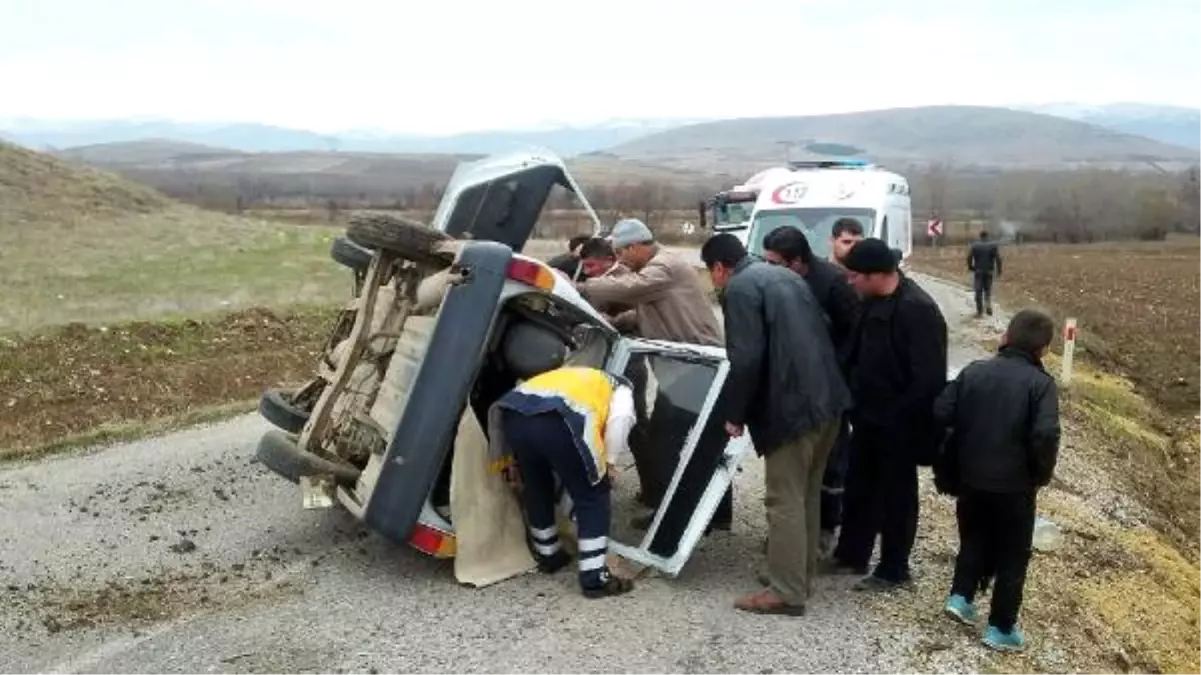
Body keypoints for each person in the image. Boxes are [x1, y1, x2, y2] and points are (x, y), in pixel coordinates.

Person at [700, 233, 852, 616]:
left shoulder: (740, 288)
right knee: (807, 493)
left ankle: (786, 592)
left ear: (720, 268)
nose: (713, 281)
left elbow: (746, 359)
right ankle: (799, 575)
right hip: (829, 402)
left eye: (711, 273)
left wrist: (734, 414)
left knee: (783, 499)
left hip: (793, 411)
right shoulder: (784, 276)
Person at [577, 218, 731, 531]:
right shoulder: (658, 269)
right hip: (689, 367)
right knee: (704, 439)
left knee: (663, 441)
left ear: (635, 246)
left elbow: (632, 289)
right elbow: (647, 310)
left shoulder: (663, 266)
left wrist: (577, 288)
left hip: (693, 366)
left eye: (621, 252)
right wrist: (615, 324)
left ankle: (672, 514)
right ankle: (716, 513)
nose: (619, 260)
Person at [933, 309, 1061, 652]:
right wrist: (1041, 473)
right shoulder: (1042, 385)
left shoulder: (974, 372)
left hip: (971, 478)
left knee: (973, 536)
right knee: (1013, 555)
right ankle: (1001, 627)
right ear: (1044, 350)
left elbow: (942, 411)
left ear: (1006, 337)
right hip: (1015, 486)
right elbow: (1045, 434)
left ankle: (961, 597)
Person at [826, 238, 948, 592]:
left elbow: (928, 378)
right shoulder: (870, 301)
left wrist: (899, 418)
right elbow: (855, 351)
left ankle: (894, 568)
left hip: (901, 423)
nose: (850, 283)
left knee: (897, 495)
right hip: (866, 416)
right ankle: (852, 554)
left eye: (855, 277)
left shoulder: (917, 309)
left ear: (878, 275)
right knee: (859, 487)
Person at [487, 364, 639, 599]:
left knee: (537, 485)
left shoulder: (579, 375)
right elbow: (621, 419)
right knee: (593, 495)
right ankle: (594, 578)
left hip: (514, 417)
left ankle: (549, 555)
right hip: (557, 423)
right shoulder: (621, 389)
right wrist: (609, 463)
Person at [761, 226, 861, 556]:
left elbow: (854, 335)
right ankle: (791, 535)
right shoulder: (773, 283)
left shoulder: (833, 283)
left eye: (776, 263)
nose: (769, 269)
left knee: (830, 462)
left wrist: (833, 372)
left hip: (830, 386)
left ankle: (825, 528)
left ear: (799, 262)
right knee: (792, 468)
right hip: (792, 388)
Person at [967, 230, 1002, 317]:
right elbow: (998, 259)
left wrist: (971, 267)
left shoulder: (975, 246)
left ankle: (979, 311)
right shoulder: (993, 246)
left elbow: (969, 257)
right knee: (988, 290)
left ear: (980, 237)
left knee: (978, 291)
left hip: (978, 271)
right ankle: (988, 306)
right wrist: (999, 270)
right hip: (989, 272)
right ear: (987, 236)